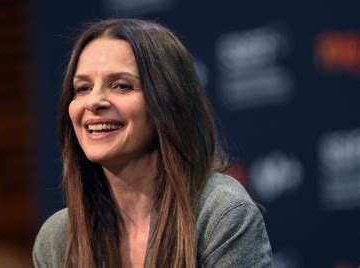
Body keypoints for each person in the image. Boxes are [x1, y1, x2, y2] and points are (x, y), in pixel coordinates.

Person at [33, 18, 272, 267]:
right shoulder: (56, 240)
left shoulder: (220, 214)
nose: (94, 102)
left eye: (121, 86)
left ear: (168, 101)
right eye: (83, 88)